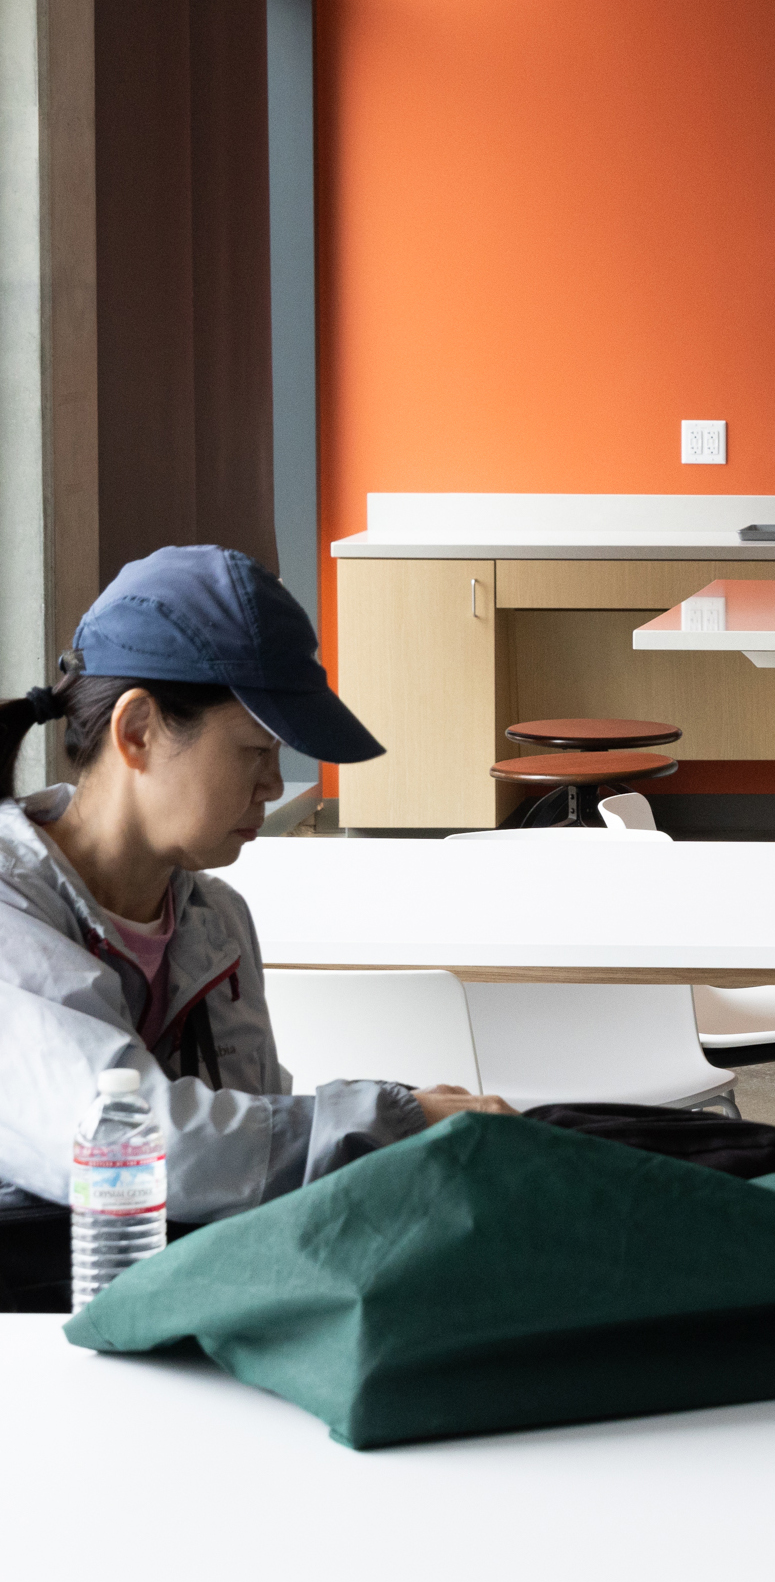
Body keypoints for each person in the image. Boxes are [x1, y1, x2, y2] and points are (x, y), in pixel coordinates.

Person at [0, 546, 513, 1311]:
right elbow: (132, 1144)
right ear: (136, 729)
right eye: (254, 750)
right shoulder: (11, 913)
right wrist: (393, 1117)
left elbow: (256, 1172)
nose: (275, 785)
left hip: (175, 1315)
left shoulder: (217, 922)